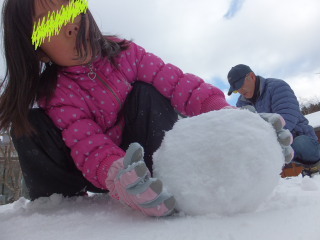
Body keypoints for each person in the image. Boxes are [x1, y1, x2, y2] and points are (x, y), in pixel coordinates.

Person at [0, 0, 291, 217]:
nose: (70, 26)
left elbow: (181, 86)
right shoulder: (56, 92)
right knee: (29, 124)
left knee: (148, 91)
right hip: (104, 172)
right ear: (37, 47)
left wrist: (232, 120)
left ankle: (162, 179)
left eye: (69, 10)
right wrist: (118, 176)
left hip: (145, 160)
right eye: (49, 23)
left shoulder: (125, 54)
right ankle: (56, 208)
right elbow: (88, 143)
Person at [227, 64, 320, 177]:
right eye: (236, 90)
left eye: (240, 85)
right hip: (271, 145)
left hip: (297, 138)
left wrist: (264, 142)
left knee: (300, 143)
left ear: (252, 76)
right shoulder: (241, 104)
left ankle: (315, 166)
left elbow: (286, 119)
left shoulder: (277, 87)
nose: (240, 91)